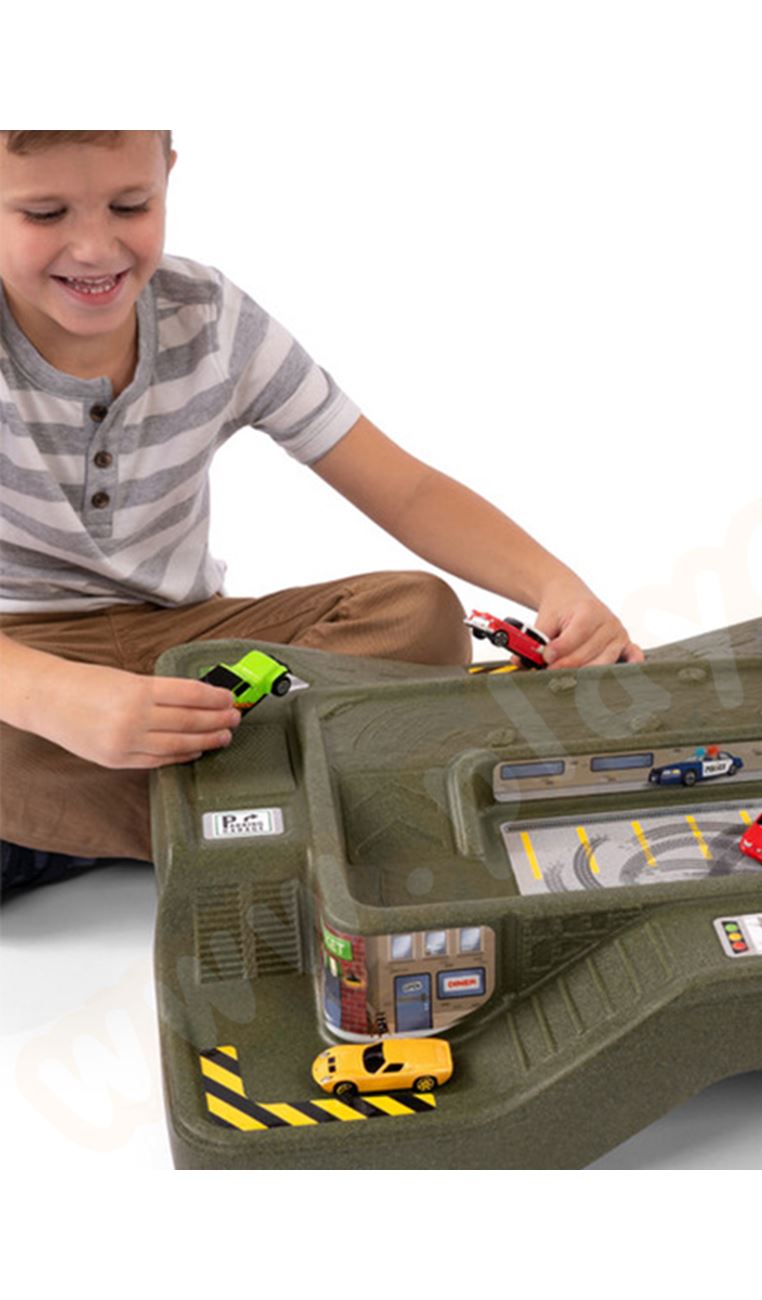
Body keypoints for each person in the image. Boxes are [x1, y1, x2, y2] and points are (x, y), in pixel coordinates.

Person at [0, 129, 642, 893]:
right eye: (45, 214)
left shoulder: (211, 319)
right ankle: (297, 798)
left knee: (416, 614)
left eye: (130, 205)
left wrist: (554, 585)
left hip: (190, 646)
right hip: (17, 656)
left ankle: (118, 823)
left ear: (167, 172)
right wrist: (50, 698)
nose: (94, 248)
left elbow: (404, 489)